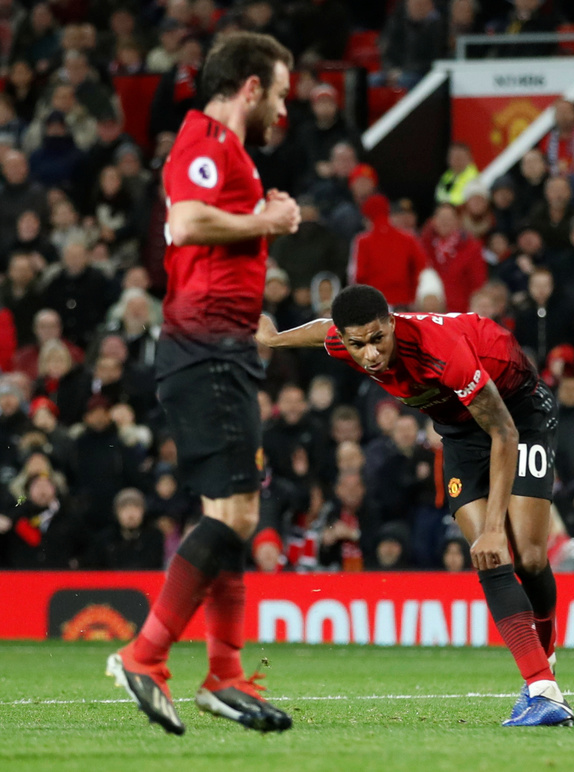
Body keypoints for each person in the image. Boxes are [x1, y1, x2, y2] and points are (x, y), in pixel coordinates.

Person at [258, 284, 572, 726]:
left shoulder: (442, 352)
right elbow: (322, 329)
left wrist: (494, 527)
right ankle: (543, 690)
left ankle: (546, 660)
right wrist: (274, 339)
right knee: (487, 555)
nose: (370, 354)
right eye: (358, 344)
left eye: (377, 339)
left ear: (392, 322)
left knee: (530, 556)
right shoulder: (347, 340)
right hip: (458, 430)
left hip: (518, 411)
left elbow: (504, 432)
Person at [107, 32, 299, 737]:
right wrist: (266, 220)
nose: (284, 110)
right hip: (206, 353)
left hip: (217, 346)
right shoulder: (207, 142)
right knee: (239, 516)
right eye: (280, 94)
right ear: (251, 87)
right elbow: (186, 223)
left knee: (228, 514)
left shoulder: (227, 151)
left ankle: (225, 674)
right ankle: (146, 654)